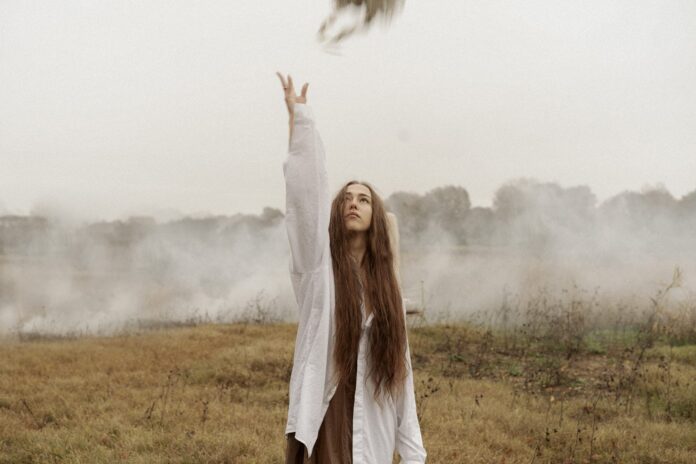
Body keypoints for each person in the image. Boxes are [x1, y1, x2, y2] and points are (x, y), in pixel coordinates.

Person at [277, 72, 427, 463]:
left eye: (364, 199)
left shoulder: (386, 288)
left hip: (370, 420)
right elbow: (304, 199)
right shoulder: (318, 268)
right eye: (347, 197)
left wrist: (414, 456)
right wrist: (300, 123)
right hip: (327, 414)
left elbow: (402, 375)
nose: (354, 203)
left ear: (375, 216)